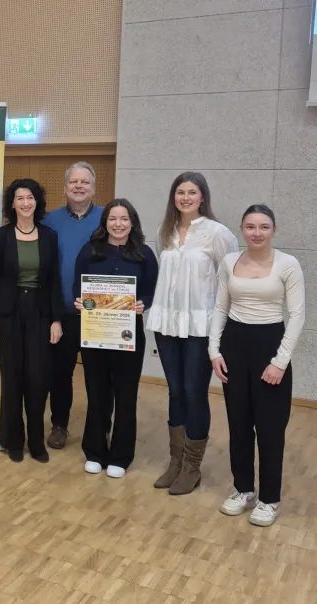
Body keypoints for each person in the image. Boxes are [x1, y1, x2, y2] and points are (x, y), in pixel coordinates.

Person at [209, 205, 305, 527]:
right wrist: (214, 351)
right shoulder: (229, 262)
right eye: (250, 226)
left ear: (274, 230)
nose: (257, 232)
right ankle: (244, 490)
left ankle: (270, 499)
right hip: (234, 345)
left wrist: (280, 361)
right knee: (238, 424)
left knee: (269, 428)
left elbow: (297, 317)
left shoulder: (288, 264)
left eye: (264, 226)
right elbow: (220, 307)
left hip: (270, 344)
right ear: (242, 229)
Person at [148, 172, 238, 495]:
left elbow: (229, 281)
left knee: (193, 392)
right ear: (173, 197)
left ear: (203, 197)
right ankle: (176, 462)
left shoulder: (218, 233)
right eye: (180, 192)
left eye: (192, 192)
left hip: (201, 326)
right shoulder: (165, 231)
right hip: (168, 324)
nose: (185, 197)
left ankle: (192, 467)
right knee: (175, 392)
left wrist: (224, 328)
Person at [72, 199, 158, 478]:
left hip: (128, 336)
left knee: (126, 395)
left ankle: (121, 456)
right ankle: (94, 451)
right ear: (105, 222)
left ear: (132, 223)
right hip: (95, 334)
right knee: (97, 394)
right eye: (112, 219)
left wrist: (143, 303)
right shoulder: (90, 250)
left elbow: (151, 292)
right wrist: (79, 301)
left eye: (123, 219)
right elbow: (77, 288)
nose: (118, 224)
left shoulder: (144, 254)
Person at [0, 179, 62, 463]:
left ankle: (36, 442)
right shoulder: (1, 236)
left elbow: (54, 281)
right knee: (12, 377)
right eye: (20, 198)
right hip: (8, 313)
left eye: (30, 197)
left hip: (40, 314)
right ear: (13, 204)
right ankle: (13, 441)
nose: (25, 203)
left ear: (37, 202)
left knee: (37, 378)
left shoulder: (49, 236)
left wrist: (56, 320)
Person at [42, 162, 106, 449]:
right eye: (74, 182)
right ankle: (59, 425)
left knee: (99, 377)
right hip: (62, 314)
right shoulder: (49, 221)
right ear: (65, 187)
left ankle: (101, 429)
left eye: (85, 182)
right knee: (60, 373)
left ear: (94, 187)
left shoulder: (109, 218)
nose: (79, 186)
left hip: (100, 316)